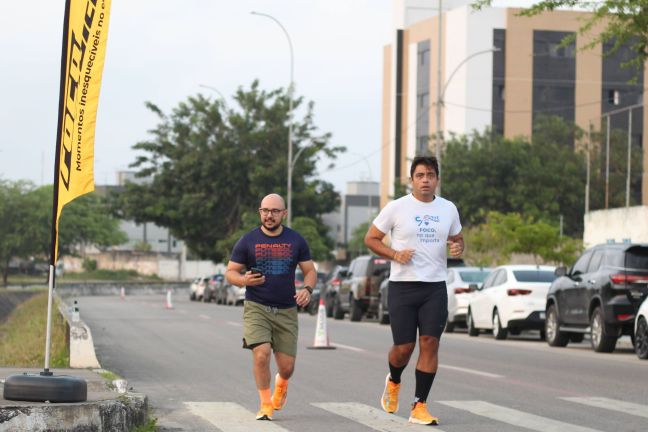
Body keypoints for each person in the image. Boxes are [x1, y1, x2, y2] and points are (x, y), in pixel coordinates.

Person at [364, 156, 463, 425]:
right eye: (420, 175)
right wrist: (395, 254)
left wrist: (457, 247)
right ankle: (394, 380)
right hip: (403, 287)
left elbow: (457, 238)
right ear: (411, 180)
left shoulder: (448, 208)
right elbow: (371, 238)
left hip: (434, 287)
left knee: (430, 343)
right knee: (404, 347)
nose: (425, 180)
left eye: (430, 175)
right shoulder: (397, 208)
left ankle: (420, 404)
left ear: (437, 179)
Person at [225, 193, 316, 421]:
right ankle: (266, 404)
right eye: (265, 211)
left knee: (286, 367)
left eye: (275, 211)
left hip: (286, 310)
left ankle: (281, 383)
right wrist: (244, 280)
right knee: (262, 354)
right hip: (257, 307)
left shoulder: (296, 240)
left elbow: (310, 271)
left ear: (283, 214)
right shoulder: (248, 241)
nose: (269, 215)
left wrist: (307, 289)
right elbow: (230, 272)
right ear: (260, 212)